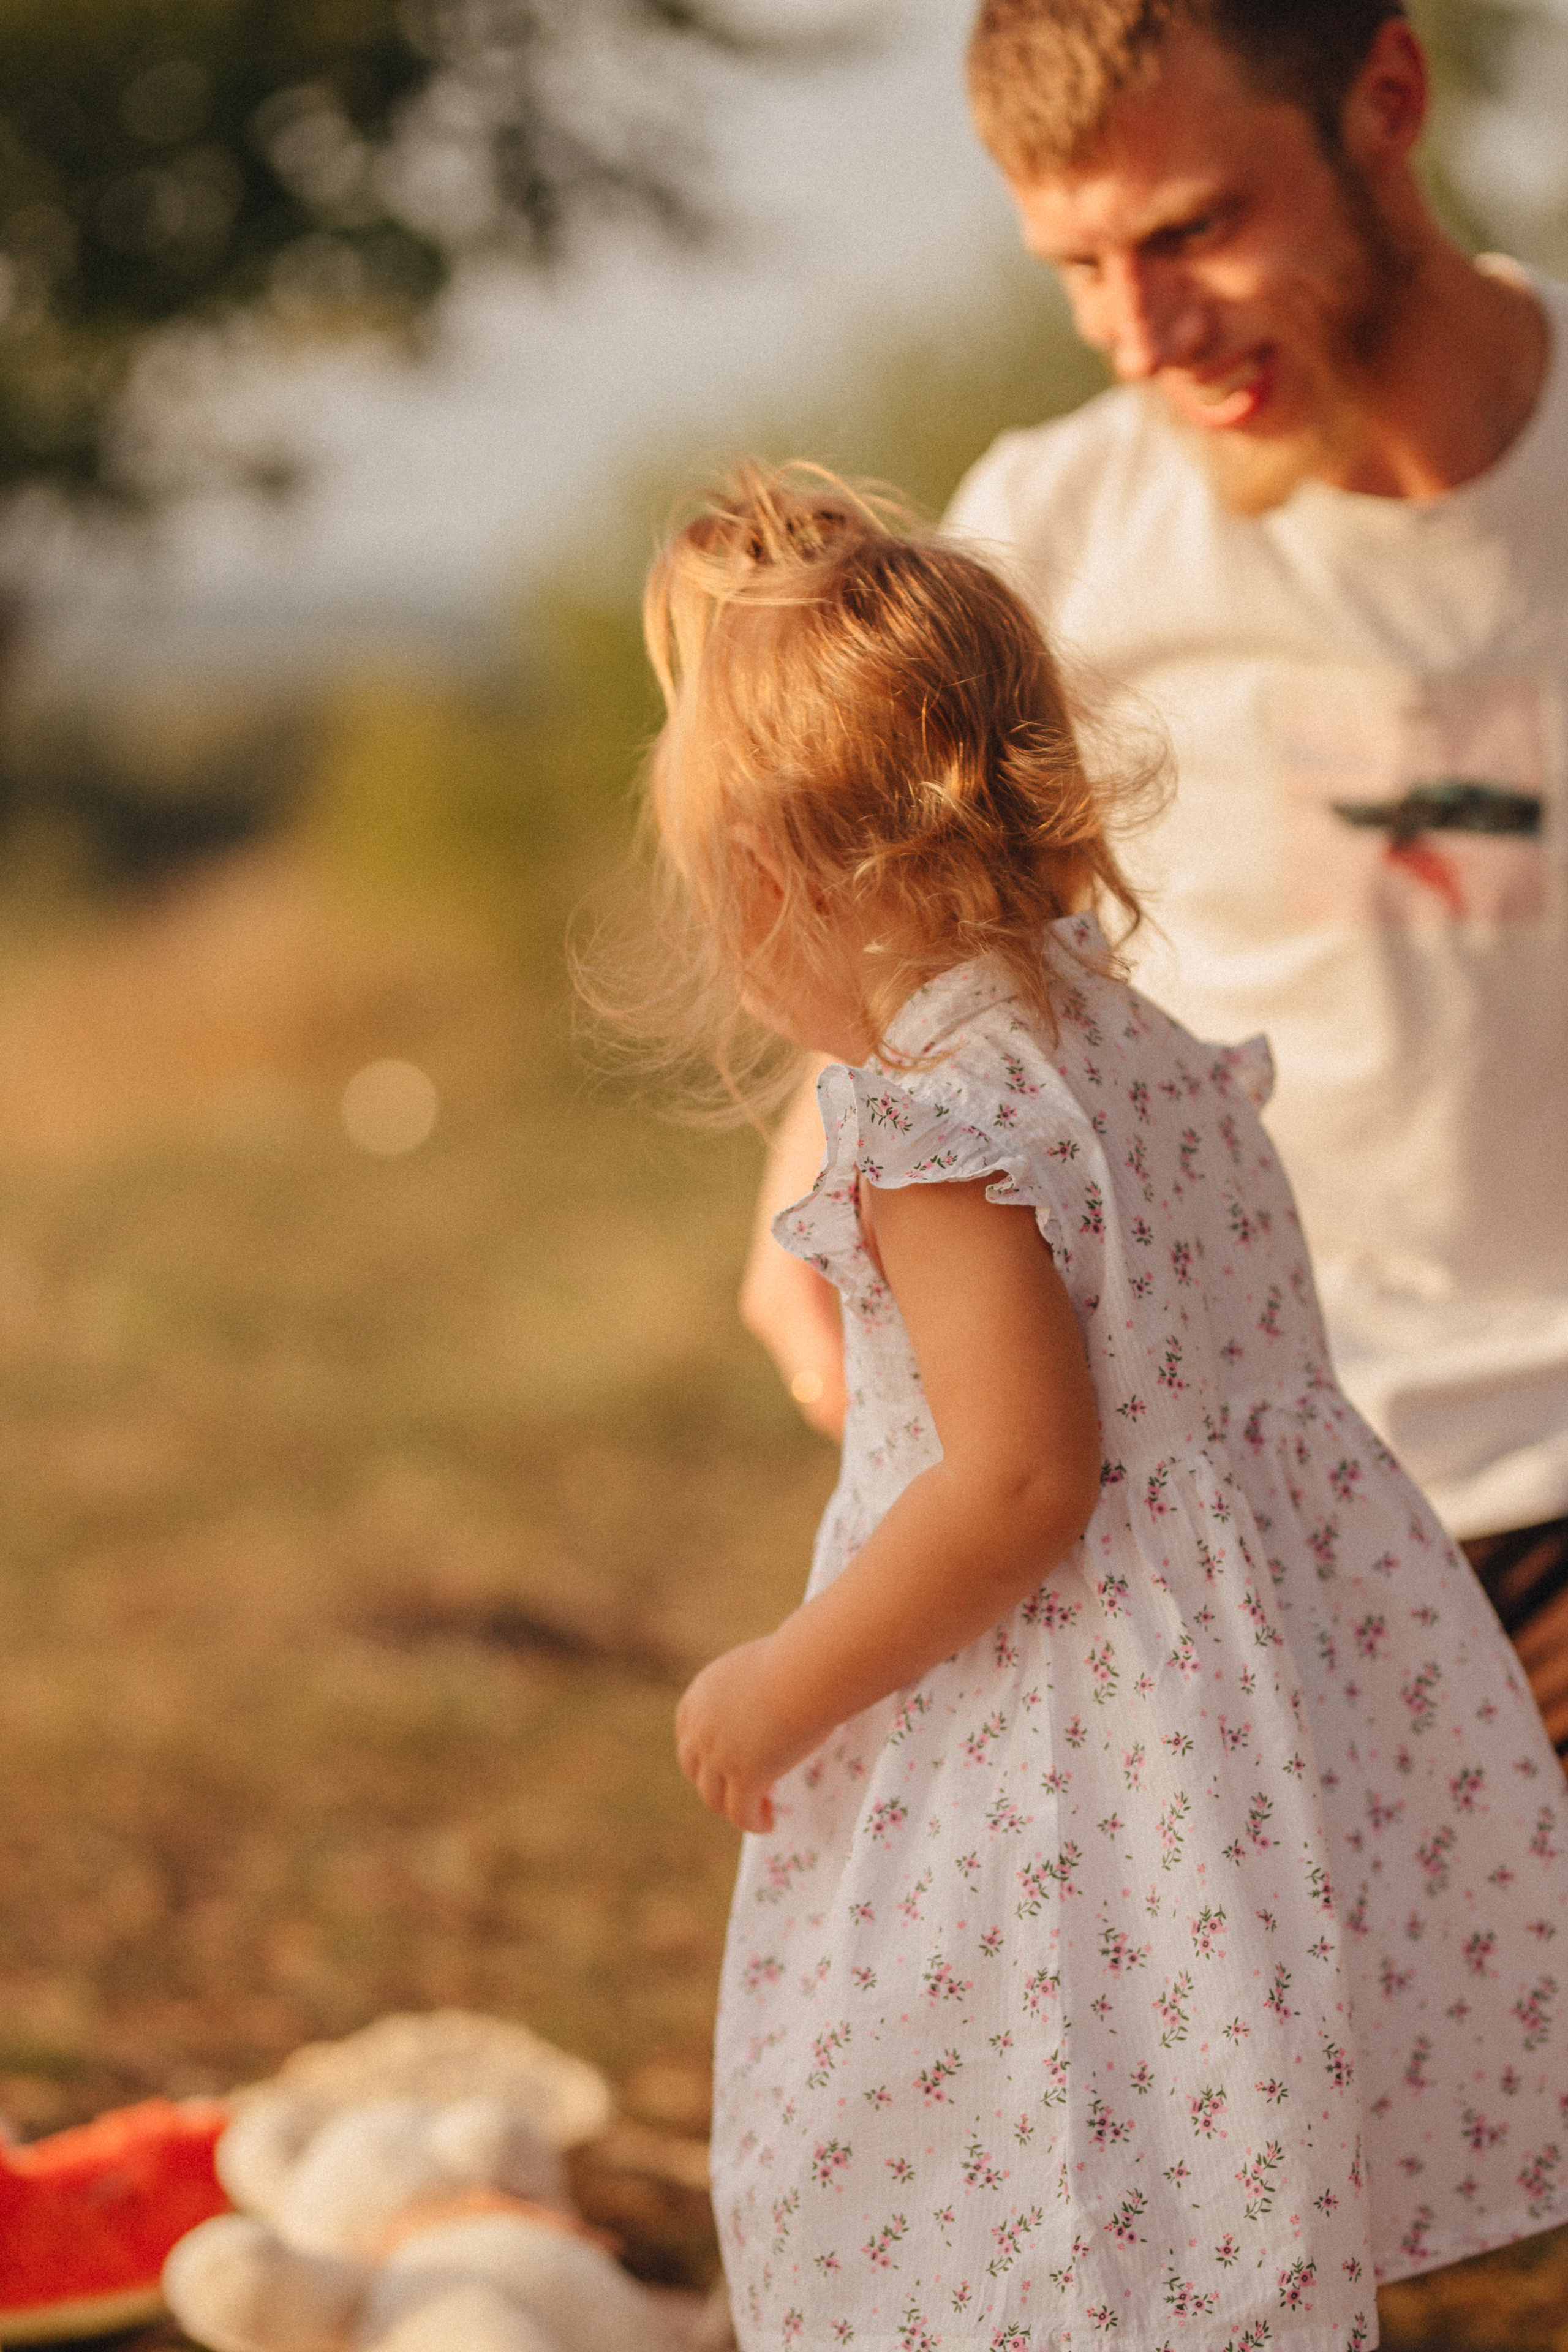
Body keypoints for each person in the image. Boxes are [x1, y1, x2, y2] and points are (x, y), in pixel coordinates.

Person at [637, 462, 1568, 2350]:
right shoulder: (1120, 1043)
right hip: (1229, 1718)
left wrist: (784, 1680)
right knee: (1183, 2178)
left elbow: (1019, 1485)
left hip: (1058, 1752)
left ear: (771, 881)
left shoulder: (932, 1124)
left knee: (1019, 2167)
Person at [740, 0, 1568, 1756]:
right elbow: (908, 950)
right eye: (1079, 265)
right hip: (1250, 1512)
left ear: (1389, 100)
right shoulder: (1053, 532)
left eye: (1196, 228)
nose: (1141, 331)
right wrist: (800, 1187)